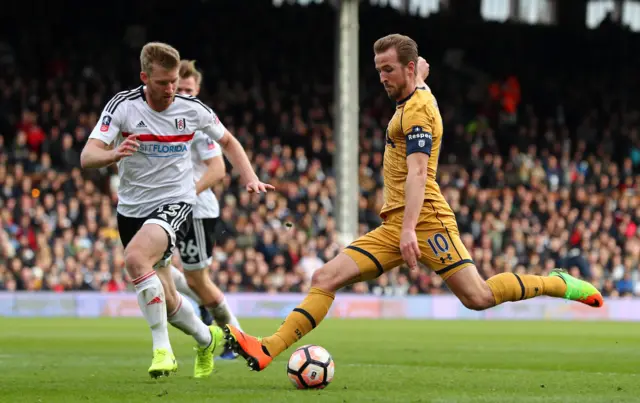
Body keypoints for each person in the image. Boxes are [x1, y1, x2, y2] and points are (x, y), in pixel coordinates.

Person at [223, 34, 603, 372]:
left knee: (478, 296)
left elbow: (419, 173)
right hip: (395, 222)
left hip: (426, 219)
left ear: (406, 68)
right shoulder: (414, 91)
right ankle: (266, 349)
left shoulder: (419, 110)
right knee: (324, 278)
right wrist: (418, 73)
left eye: (388, 69)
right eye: (378, 70)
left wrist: (408, 230)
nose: (382, 77)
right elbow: (417, 76)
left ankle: (557, 283)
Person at [80, 42, 273, 378]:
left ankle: (162, 349)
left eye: (174, 82)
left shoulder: (192, 109)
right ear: (144, 77)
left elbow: (227, 141)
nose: (170, 89)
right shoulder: (123, 107)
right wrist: (114, 153)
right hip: (132, 208)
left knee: (137, 260)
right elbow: (87, 156)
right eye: (162, 83)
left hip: (177, 202)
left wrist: (250, 176)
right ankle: (206, 337)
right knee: (167, 297)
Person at [170, 59, 242, 359]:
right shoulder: (164, 119)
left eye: (190, 89)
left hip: (196, 211)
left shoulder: (200, 123)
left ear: (197, 89)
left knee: (198, 280)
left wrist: (186, 194)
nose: (184, 94)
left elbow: (218, 169)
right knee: (145, 266)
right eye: (179, 89)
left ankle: (235, 337)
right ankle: (200, 304)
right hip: (169, 208)